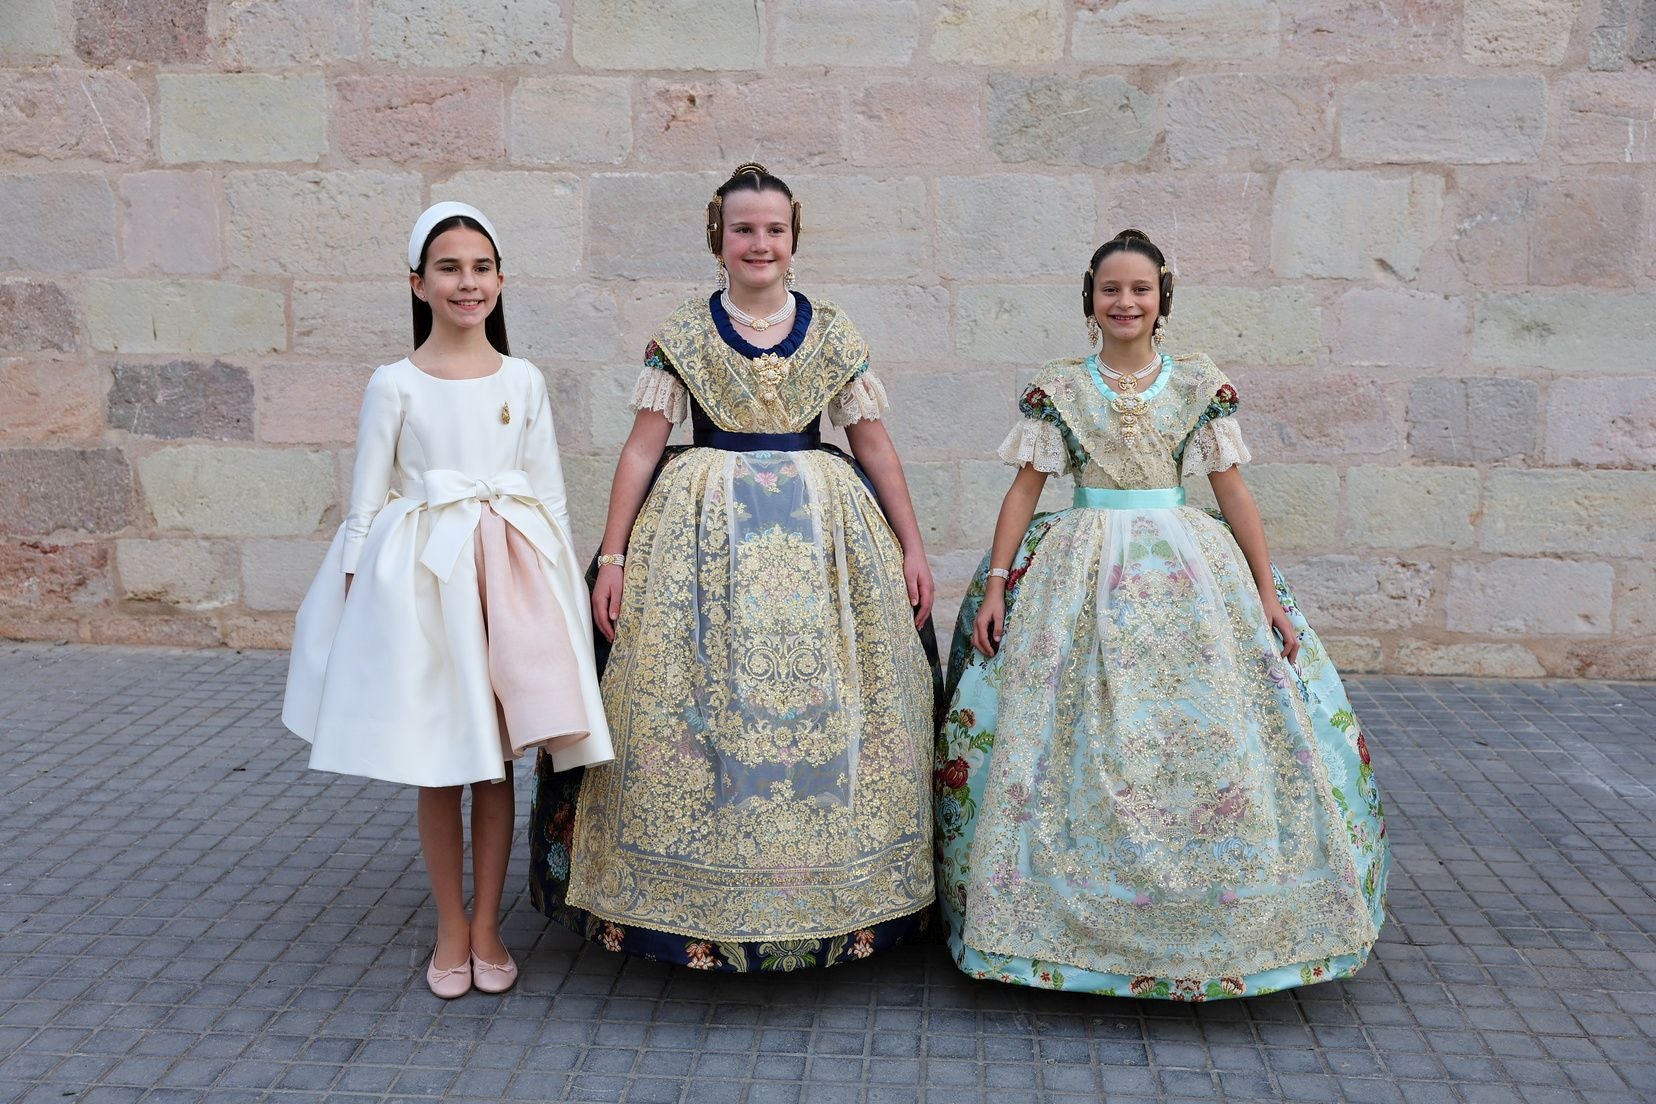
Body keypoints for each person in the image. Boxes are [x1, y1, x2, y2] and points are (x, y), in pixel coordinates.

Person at [935, 229, 1388, 999]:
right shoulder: (1061, 388)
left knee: (1206, 729)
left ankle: (1233, 922)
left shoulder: (1198, 384)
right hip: (1080, 567)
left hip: (1185, 567)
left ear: (1162, 298)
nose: (1125, 302)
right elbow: (1024, 490)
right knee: (1070, 733)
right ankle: (1048, 925)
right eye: (1111, 289)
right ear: (1090, 299)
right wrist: (999, 582)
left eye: (1140, 289)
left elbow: (1233, 492)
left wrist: (1267, 594)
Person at [529, 163, 938, 971]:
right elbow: (644, 447)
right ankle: (692, 895)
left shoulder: (834, 332)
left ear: (794, 239)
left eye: (775, 230)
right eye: (745, 229)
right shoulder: (684, 332)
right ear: (719, 237)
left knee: (831, 704)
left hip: (823, 540)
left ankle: (830, 895)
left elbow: (875, 448)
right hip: (699, 537)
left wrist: (912, 546)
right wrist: (612, 557)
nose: (761, 243)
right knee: (701, 703)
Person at [283, 202, 613, 998]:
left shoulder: (523, 379)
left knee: (497, 763)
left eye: (481, 267)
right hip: (427, 587)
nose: (468, 283)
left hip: (509, 581)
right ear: (418, 283)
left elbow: (550, 495)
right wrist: (358, 598)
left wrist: (566, 590)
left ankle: (491, 924)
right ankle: (449, 925)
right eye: (449, 268)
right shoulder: (393, 383)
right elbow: (366, 504)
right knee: (442, 762)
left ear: (500, 280)